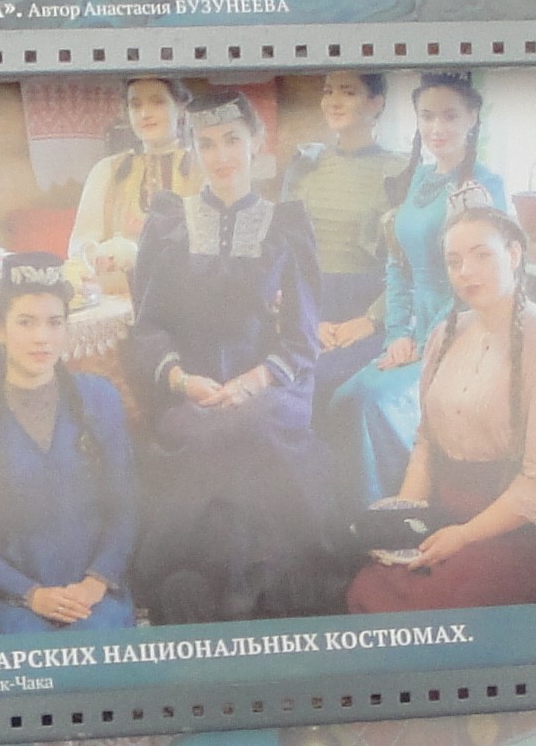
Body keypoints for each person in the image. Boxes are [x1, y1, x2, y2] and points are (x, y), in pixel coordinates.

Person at [125, 91, 324, 620]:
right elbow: (148, 326)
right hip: (190, 388)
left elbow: (302, 337)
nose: (221, 156)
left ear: (256, 142)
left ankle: (267, 589)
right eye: (207, 144)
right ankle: (193, 593)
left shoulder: (286, 225)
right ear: (193, 151)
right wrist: (180, 380)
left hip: (269, 387)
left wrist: (254, 381)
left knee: (250, 427)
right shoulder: (169, 223)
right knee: (204, 431)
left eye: (232, 140)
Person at [349, 197, 536, 613]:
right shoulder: (445, 335)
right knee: (369, 584)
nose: (466, 271)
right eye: (454, 261)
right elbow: (427, 442)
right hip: (446, 515)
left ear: (513, 255)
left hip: (516, 530)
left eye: (482, 255)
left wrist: (463, 536)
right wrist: (403, 524)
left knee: (428, 604)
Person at [324, 72, 510, 505]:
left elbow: (482, 285)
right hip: (414, 334)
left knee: (371, 400)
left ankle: (405, 512)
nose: (436, 128)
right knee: (344, 398)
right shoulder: (418, 180)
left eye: (449, 116)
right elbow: (398, 266)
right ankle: (362, 519)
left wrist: (430, 344)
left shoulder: (484, 186)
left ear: (472, 117)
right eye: (427, 117)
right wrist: (397, 335)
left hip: (464, 335)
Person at [0, 259, 137, 635]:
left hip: (93, 596)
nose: (42, 338)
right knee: (27, 653)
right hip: (10, 598)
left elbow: (126, 506)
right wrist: (29, 593)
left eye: (54, 322)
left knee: (96, 645)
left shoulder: (100, 399)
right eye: (26, 322)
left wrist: (96, 581)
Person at [283, 70, 396, 417]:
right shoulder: (305, 164)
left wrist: (372, 320)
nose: (333, 101)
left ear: (375, 103)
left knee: (324, 383)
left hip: (369, 310)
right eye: (328, 91)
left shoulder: (401, 169)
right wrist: (307, 319)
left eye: (348, 92)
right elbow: (288, 253)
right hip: (311, 309)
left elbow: (413, 264)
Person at [68, 76, 201, 289]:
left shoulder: (201, 169)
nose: (145, 114)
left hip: (187, 293)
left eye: (157, 102)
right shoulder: (107, 171)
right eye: (136, 105)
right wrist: (103, 256)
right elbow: (80, 246)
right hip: (118, 294)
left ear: (180, 107)